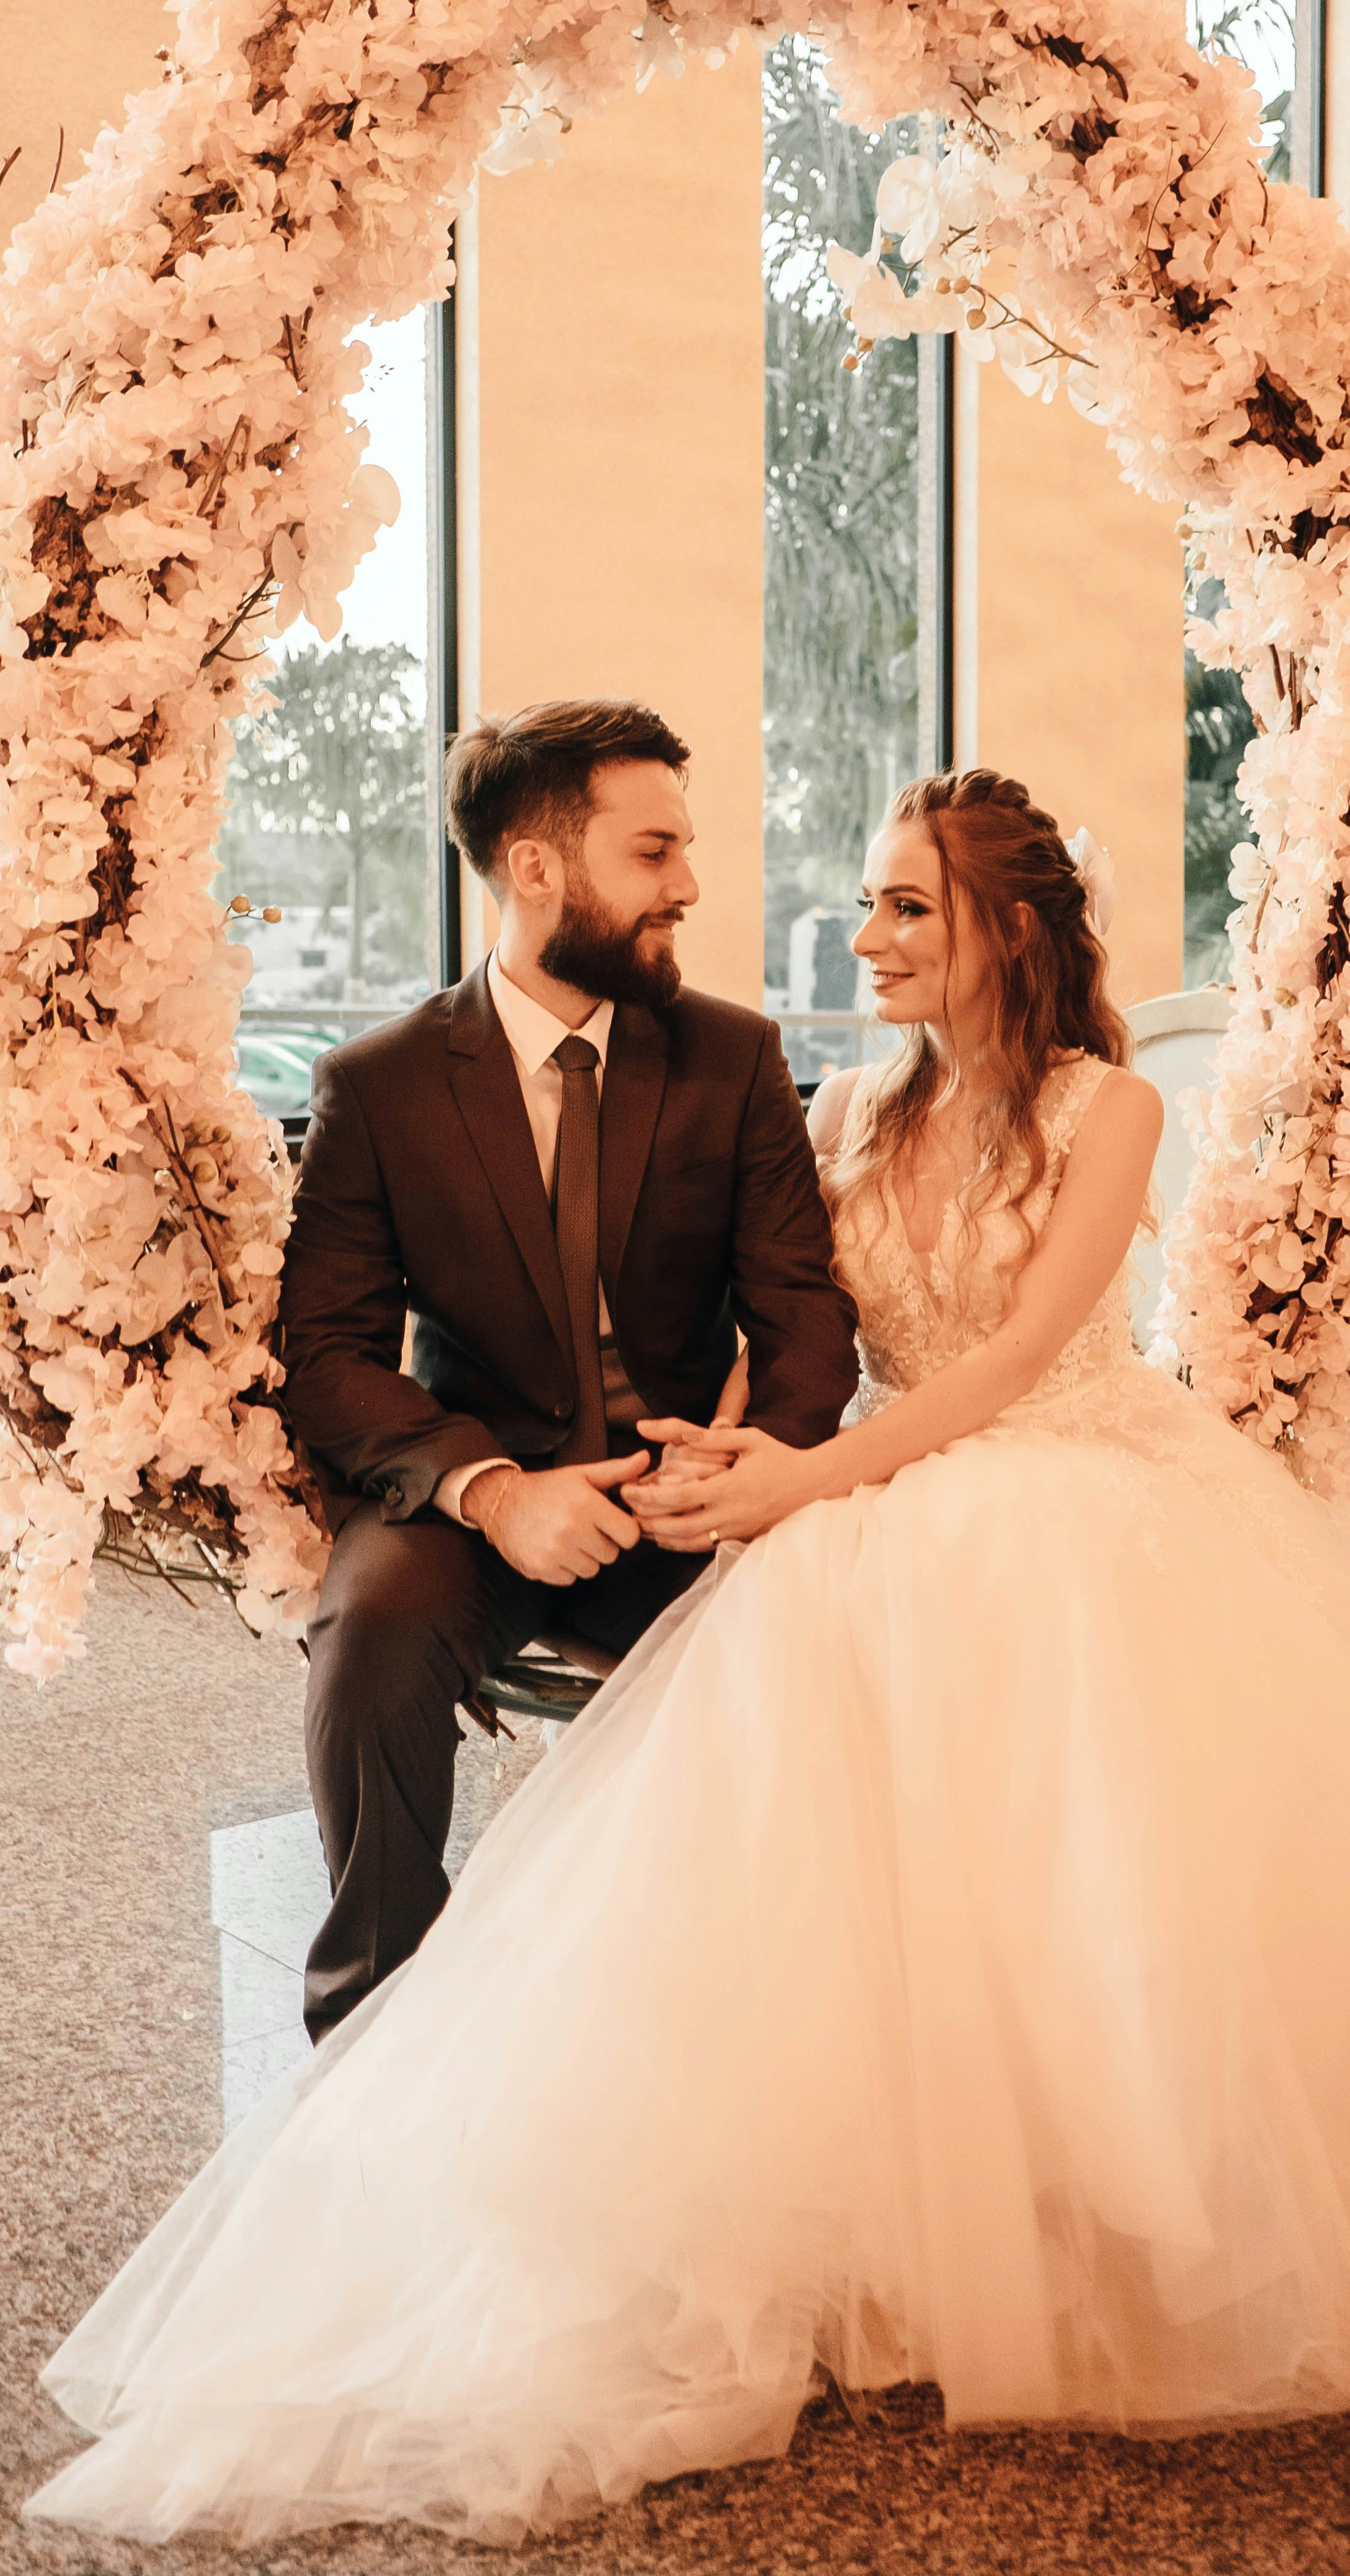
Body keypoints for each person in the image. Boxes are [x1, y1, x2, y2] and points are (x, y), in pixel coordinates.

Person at [28, 767, 1350, 2550]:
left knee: (1021, 1684)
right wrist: (720, 1448)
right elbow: (794, 1321)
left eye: (903, 908)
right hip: (850, 1470)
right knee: (792, 1711)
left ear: (1007, 928)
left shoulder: (1106, 1116)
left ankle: (1110, 2177)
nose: (858, 938)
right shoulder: (848, 1104)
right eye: (865, 903)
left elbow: (1013, 1366)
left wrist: (805, 1476)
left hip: (1065, 1479)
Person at [277, 696, 859, 2039]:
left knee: (824, 1643)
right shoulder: (381, 1086)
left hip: (692, 1492)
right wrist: (486, 1490)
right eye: (654, 853)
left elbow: (804, 1315)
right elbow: (328, 1357)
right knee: (370, 1630)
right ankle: (368, 2029)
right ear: (538, 868)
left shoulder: (737, 1057)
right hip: (479, 1499)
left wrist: (739, 1464)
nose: (691, 886)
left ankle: (766, 2024)